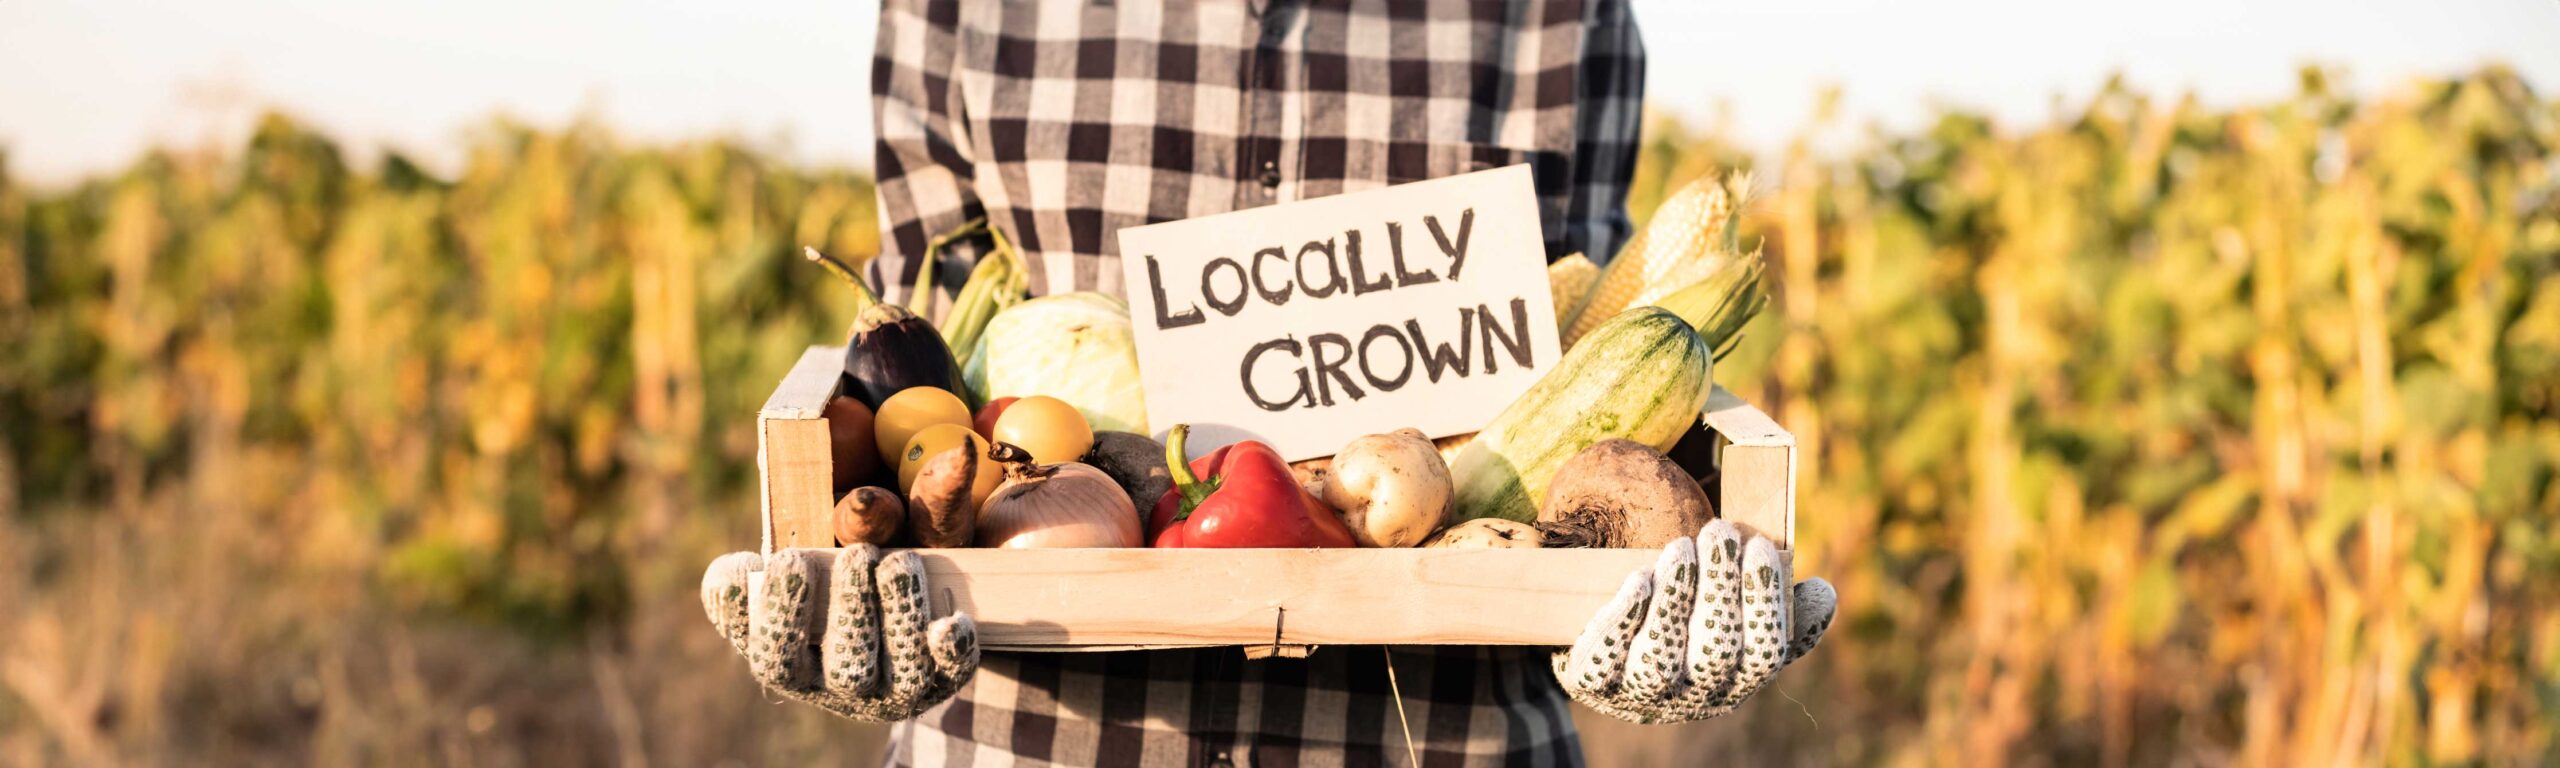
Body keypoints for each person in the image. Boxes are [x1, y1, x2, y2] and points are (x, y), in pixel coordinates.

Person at [700, 1, 1838, 764]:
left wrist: (1629, 610)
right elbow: (919, 361)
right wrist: (860, 566)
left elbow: (1577, 357)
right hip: (1026, 739)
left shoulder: (1554, 11)